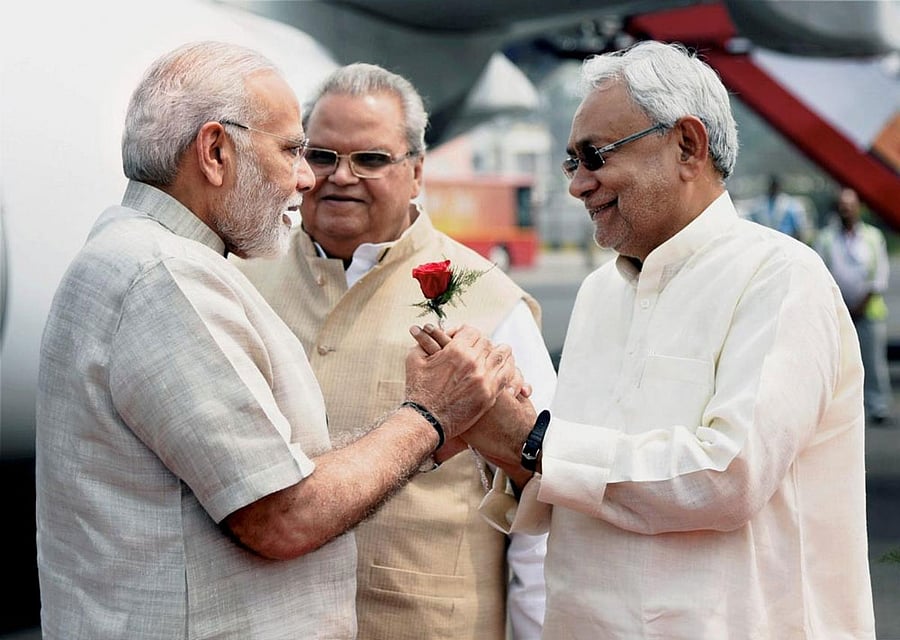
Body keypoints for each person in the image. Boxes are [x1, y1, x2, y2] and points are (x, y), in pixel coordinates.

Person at [34, 41, 520, 640]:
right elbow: (281, 517)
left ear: (415, 170)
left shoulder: (139, 252)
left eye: (369, 158)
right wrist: (428, 417)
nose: (308, 178)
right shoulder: (167, 278)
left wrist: (423, 440)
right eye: (297, 150)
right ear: (215, 152)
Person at [415, 40, 877, 639]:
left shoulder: (780, 276)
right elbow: (579, 477)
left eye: (595, 156)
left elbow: (729, 475)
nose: (578, 185)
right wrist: (494, 431)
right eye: (571, 162)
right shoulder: (598, 294)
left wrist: (534, 441)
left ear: (688, 145)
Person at [235, 62, 555, 640]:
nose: (341, 177)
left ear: (416, 172)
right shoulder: (240, 279)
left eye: (372, 159)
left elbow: (542, 505)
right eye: (323, 156)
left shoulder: (489, 301)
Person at [816, 186, 893, 425]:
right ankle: (837, 411)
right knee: (836, 364)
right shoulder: (825, 238)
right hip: (838, 312)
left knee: (873, 362)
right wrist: (840, 306)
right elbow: (819, 274)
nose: (846, 210)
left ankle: (877, 405)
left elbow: (879, 276)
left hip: (868, 312)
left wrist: (861, 305)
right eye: (842, 206)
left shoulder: (872, 237)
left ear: (859, 208)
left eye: (850, 206)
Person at [746, 174, 813, 243]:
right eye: (772, 186)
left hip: (787, 241)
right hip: (766, 242)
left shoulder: (790, 205)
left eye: (775, 186)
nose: (773, 189)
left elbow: (798, 229)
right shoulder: (759, 205)